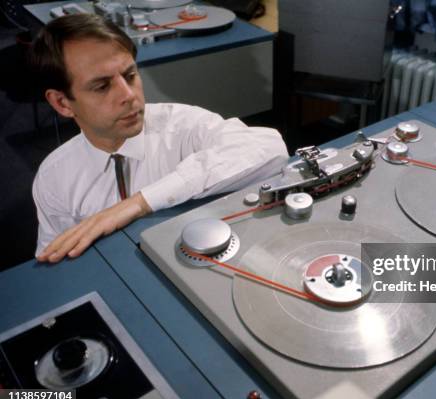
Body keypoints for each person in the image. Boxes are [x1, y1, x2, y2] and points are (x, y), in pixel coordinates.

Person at [30, 14, 288, 263]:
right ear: (62, 103)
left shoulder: (182, 125)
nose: (128, 95)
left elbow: (269, 148)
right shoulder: (54, 177)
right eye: (102, 86)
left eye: (130, 75)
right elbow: (57, 258)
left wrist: (141, 202)